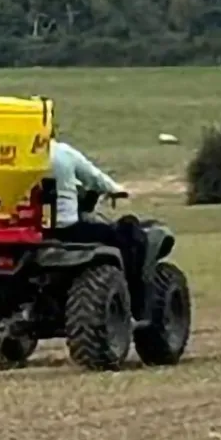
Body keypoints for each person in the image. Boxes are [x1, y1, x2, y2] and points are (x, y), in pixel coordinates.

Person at [48, 134, 147, 317]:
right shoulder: (61, 153)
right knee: (126, 234)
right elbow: (94, 178)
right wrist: (116, 189)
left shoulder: (8, 157)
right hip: (66, 231)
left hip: (20, 233)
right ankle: (134, 301)